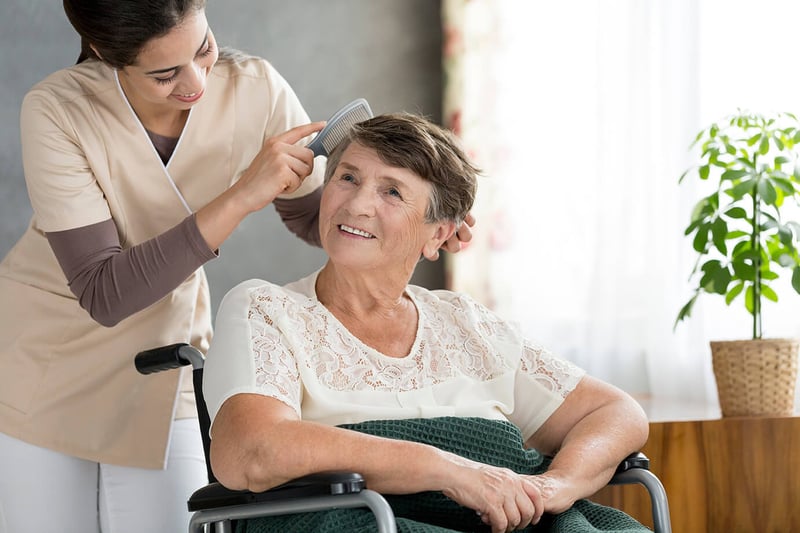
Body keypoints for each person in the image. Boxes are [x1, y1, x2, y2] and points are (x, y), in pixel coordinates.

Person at [0, 3, 473, 532]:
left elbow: (315, 216)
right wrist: (243, 194)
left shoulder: (255, 88)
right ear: (110, 56)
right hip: (44, 368)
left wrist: (414, 221)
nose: (197, 83)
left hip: (165, 363)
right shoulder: (58, 109)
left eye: (203, 49)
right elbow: (104, 292)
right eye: (165, 74)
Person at [203, 113, 651, 533]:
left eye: (392, 191)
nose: (357, 204)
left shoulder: (465, 322)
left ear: (438, 233)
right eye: (348, 177)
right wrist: (445, 469)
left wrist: (558, 485)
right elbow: (251, 449)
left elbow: (614, 412)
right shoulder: (266, 309)